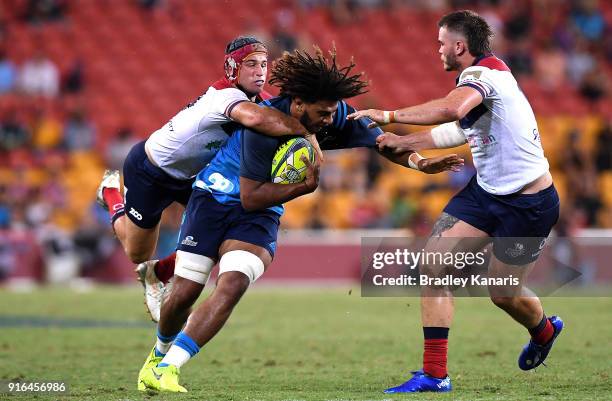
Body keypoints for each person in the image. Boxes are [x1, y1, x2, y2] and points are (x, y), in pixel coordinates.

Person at [137, 46, 464, 393]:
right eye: (322, 113)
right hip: (214, 201)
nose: (329, 119)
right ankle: (157, 357)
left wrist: (419, 162)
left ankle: (169, 368)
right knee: (186, 292)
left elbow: (380, 140)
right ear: (297, 105)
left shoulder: (333, 115)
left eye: (332, 112)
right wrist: (303, 188)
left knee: (232, 283)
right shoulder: (261, 126)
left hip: (258, 216)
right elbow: (251, 196)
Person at [347, 10, 562, 393]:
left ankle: (544, 331)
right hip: (486, 193)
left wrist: (389, 115)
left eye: (442, 42)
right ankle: (434, 374)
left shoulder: (481, 76)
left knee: (503, 293)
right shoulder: (487, 80)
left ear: (459, 46)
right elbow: (454, 129)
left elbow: (451, 109)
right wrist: (403, 141)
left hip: (529, 203)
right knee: (433, 267)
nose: (439, 50)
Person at [96, 36, 322, 320]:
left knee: (217, 226)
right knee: (137, 252)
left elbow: (281, 115)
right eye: (251, 64)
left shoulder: (259, 100)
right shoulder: (225, 96)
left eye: (264, 64)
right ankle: (111, 196)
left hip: (190, 176)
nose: (260, 71)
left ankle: (160, 272)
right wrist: (306, 133)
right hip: (150, 170)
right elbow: (256, 120)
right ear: (232, 69)